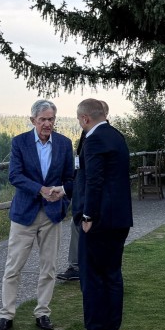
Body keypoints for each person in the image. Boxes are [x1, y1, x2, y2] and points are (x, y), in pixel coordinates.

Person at [0, 100, 74, 330]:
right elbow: (15, 176)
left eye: (51, 119)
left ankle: (42, 313)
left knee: (48, 268)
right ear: (33, 120)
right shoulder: (20, 142)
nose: (47, 124)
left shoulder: (64, 143)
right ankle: (6, 314)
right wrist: (40, 189)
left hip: (52, 215)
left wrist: (61, 196)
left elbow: (70, 178)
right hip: (24, 214)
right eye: (43, 120)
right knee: (13, 267)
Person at [68, 98, 133, 330]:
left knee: (92, 277)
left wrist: (88, 216)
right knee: (113, 276)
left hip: (99, 220)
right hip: (119, 218)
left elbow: (94, 180)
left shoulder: (93, 139)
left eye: (78, 119)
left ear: (85, 119)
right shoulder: (117, 136)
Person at [57, 100, 109, 282]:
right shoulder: (89, 134)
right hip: (82, 194)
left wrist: (87, 211)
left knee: (83, 228)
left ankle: (80, 267)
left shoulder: (97, 138)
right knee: (77, 226)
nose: (80, 122)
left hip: (91, 199)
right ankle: (80, 266)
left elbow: (93, 177)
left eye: (80, 118)